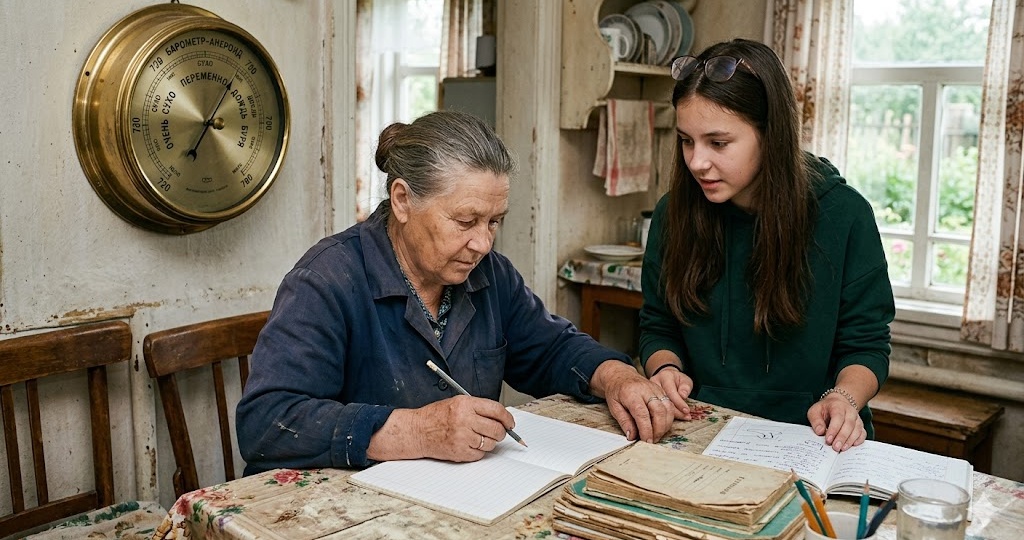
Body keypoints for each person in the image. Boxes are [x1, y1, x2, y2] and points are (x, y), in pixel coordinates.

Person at [237, 110, 674, 474]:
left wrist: (617, 376)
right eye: (465, 222)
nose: (483, 243)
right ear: (403, 200)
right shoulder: (327, 279)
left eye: (494, 221)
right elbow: (267, 422)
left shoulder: (489, 274)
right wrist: (417, 431)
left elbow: (552, 348)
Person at [640, 39, 895, 453]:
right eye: (687, 141)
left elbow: (866, 342)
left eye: (718, 143)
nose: (696, 162)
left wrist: (844, 399)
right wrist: (665, 367)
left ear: (770, 133)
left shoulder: (845, 215)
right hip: (702, 432)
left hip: (815, 441)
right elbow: (658, 325)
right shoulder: (674, 214)